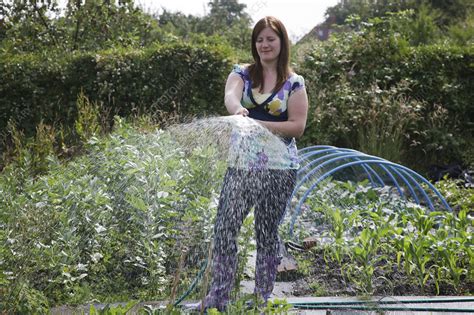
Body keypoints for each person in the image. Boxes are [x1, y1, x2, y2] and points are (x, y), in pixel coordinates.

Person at [199, 16, 308, 311]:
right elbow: (230, 96)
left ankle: (261, 298)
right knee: (224, 227)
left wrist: (258, 124)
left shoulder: (294, 83)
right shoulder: (243, 74)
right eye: (259, 39)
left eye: (270, 38)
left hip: (280, 168)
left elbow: (297, 126)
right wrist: (238, 111)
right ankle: (218, 295)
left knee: (266, 231)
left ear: (282, 42)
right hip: (242, 165)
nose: (264, 44)